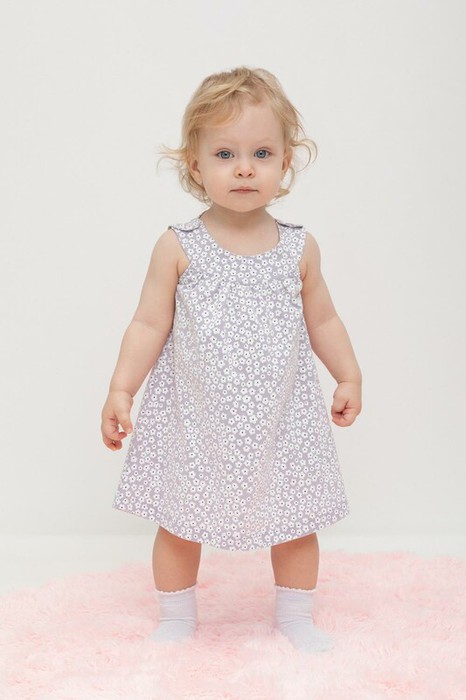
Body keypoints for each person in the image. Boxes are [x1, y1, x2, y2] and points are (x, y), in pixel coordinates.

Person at [101, 66, 362, 654]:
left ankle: (296, 615)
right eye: (225, 154)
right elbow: (148, 323)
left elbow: (323, 320)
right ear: (195, 166)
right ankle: (176, 617)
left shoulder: (298, 247)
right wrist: (122, 389)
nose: (244, 168)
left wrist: (348, 374)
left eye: (261, 153)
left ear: (285, 162)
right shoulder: (179, 246)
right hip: (196, 421)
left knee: (295, 519)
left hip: (282, 420)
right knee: (179, 520)